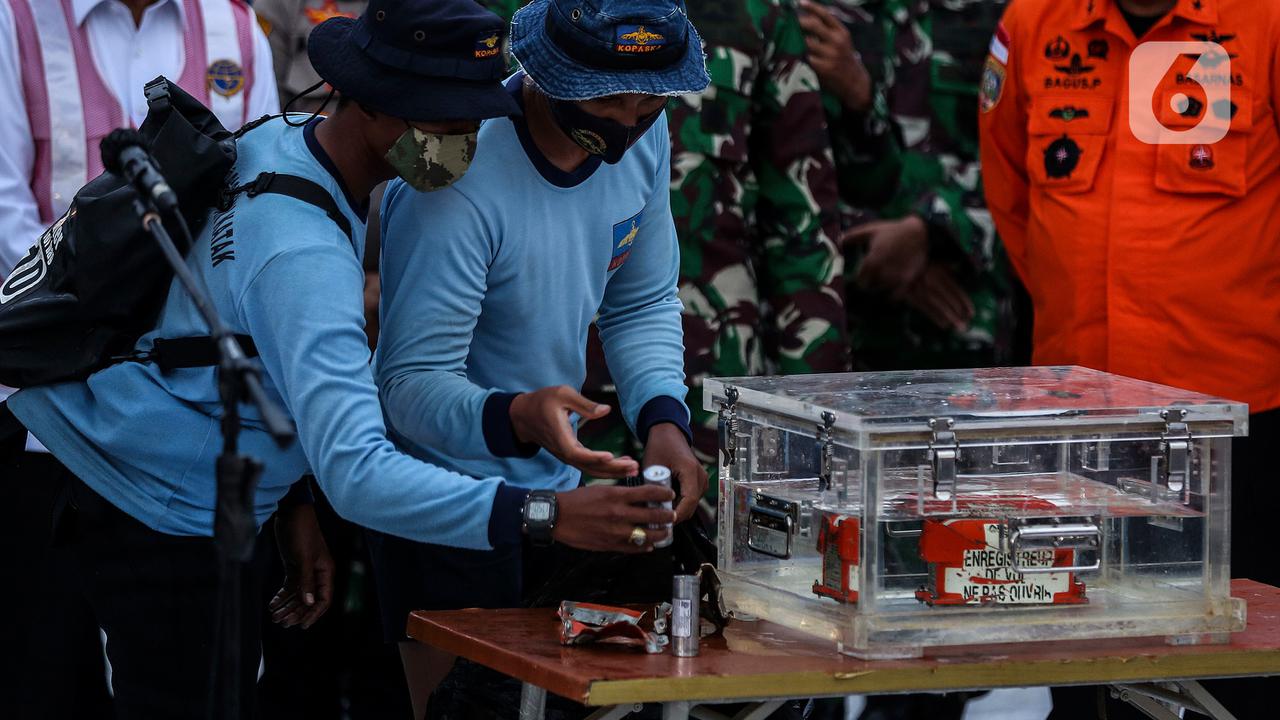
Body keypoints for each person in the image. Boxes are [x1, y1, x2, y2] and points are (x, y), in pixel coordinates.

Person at [2, 0, 676, 716]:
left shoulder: (288, 138)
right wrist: (550, 514)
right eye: (446, 126)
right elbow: (358, 472)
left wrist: (290, 504)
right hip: (129, 489)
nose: (466, 146)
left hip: (125, 460)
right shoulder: (303, 253)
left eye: (475, 122)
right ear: (378, 109)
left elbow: (248, 349)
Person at [371, 0, 710, 714]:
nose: (627, 120)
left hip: (560, 497)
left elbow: (641, 299)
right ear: (549, 74)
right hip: (443, 510)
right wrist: (519, 415)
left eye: (650, 99)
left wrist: (663, 421)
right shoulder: (455, 172)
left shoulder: (644, 140)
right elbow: (406, 386)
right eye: (607, 99)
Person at [980, 0, 1280, 716]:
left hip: (1242, 425)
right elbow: (1014, 201)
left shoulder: (1266, 20)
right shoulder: (1033, 24)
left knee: (1251, 678)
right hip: (1079, 427)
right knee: (1087, 674)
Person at [0, 1, 277, 716]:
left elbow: (262, 204)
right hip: (45, 421)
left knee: (180, 680)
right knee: (47, 670)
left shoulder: (237, 30)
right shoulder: (16, 20)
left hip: (183, 441)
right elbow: (8, 218)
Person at [803, 0, 1017, 373]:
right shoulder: (817, 11)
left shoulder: (1009, 13)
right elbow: (787, 157)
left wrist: (931, 230)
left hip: (967, 325)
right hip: (835, 328)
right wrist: (877, 252)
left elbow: (1027, 160)